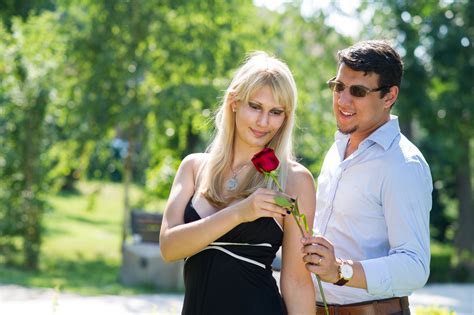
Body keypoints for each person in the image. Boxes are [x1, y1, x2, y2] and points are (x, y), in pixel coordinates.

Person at [160, 51, 316, 315]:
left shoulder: (294, 180)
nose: (263, 122)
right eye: (255, 107)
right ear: (234, 101)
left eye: (276, 112)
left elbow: (296, 282)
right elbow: (169, 247)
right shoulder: (194, 168)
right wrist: (240, 213)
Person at [302, 40, 432, 314]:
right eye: (338, 87)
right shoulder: (337, 148)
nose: (342, 100)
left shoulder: (403, 164)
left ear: (389, 96)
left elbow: (414, 267)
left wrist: (340, 271)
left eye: (358, 91)